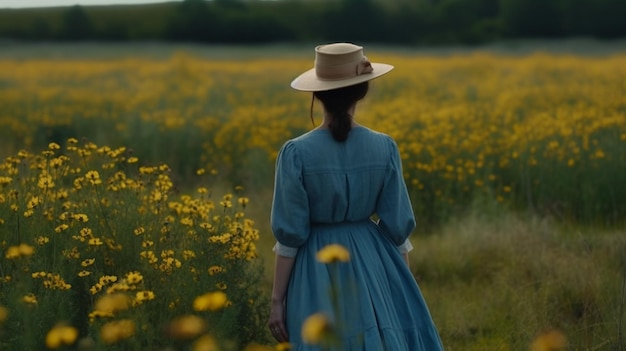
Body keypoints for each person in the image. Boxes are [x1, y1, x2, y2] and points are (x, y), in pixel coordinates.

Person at [268, 43, 444, 350]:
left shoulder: (295, 152)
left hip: (316, 263)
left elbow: (290, 236)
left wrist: (276, 301)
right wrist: (400, 289)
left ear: (317, 94)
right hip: (375, 258)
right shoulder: (384, 146)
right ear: (362, 92)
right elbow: (397, 230)